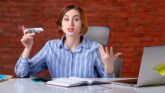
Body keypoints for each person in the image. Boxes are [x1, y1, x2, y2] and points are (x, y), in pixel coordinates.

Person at [15, 4, 122, 78]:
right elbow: (22, 73)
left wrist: (108, 66)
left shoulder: (95, 48)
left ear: (82, 24)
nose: (71, 23)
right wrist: (27, 49)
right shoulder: (51, 47)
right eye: (66, 19)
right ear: (61, 25)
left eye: (76, 19)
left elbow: (109, 84)